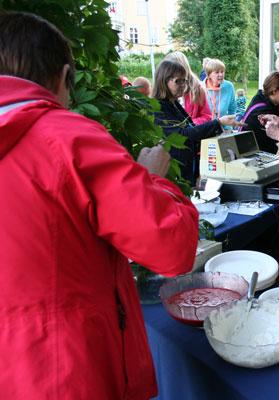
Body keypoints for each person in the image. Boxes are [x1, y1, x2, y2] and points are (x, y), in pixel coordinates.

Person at [0, 11, 199, 399]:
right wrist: (152, 180)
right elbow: (171, 247)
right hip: (66, 369)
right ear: (62, 78)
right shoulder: (68, 139)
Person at [152, 59, 241, 186]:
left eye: (184, 80)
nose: (183, 85)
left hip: (188, 169)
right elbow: (182, 134)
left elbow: (190, 127)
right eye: (178, 81)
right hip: (175, 174)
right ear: (163, 81)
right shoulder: (158, 107)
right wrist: (218, 122)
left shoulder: (173, 103)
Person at [240, 72, 279, 154]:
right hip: (249, 153)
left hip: (261, 151)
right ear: (275, 91)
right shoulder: (262, 110)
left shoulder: (269, 102)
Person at [163, 51, 212, 125]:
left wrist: (189, 124)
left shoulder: (196, 88)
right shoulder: (163, 89)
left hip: (192, 130)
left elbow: (207, 116)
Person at [202, 57, 237, 124]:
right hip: (205, 127)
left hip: (224, 128)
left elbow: (232, 109)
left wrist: (230, 126)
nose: (220, 75)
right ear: (209, 75)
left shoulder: (229, 86)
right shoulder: (200, 88)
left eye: (222, 72)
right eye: (217, 72)